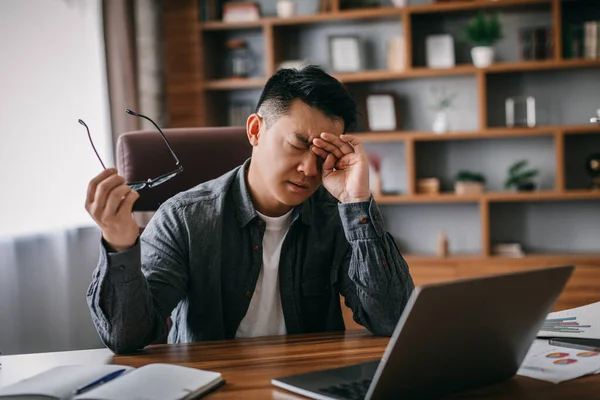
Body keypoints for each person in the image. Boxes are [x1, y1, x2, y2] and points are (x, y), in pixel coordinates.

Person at [85, 65, 414, 354]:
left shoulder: (336, 216)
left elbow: (393, 319)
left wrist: (357, 201)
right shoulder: (183, 218)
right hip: (215, 384)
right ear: (255, 130)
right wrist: (119, 245)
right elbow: (127, 337)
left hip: (310, 382)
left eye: (323, 153)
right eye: (298, 144)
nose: (310, 170)